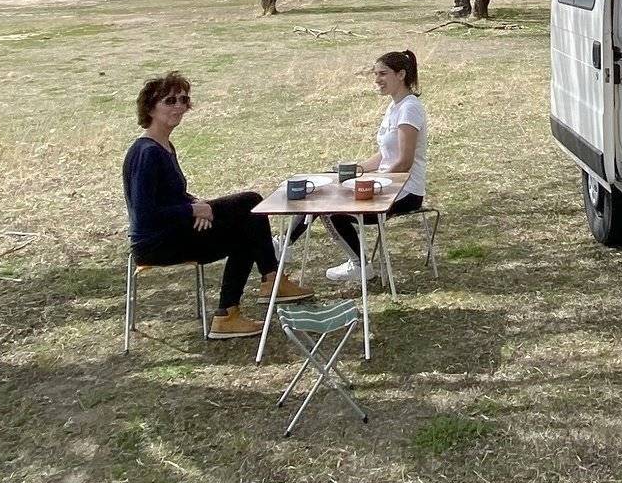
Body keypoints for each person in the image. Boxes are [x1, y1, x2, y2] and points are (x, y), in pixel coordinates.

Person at [122, 72, 294, 338]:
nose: (178, 106)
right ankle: (235, 309)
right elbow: (146, 215)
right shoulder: (147, 153)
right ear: (150, 108)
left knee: (250, 202)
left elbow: (172, 195)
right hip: (156, 243)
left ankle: (267, 284)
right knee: (245, 232)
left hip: (175, 228)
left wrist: (198, 204)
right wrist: (192, 210)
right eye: (170, 101)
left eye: (183, 99)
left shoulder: (164, 145)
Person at [321, 49, 429, 279]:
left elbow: (404, 162)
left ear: (401, 75)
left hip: (405, 191)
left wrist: (374, 181)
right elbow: (384, 155)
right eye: (375, 74)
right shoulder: (394, 106)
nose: (377, 80)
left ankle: (360, 266)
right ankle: (284, 244)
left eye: (382, 74)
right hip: (388, 183)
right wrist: (355, 169)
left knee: (330, 211)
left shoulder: (410, 108)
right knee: (326, 189)